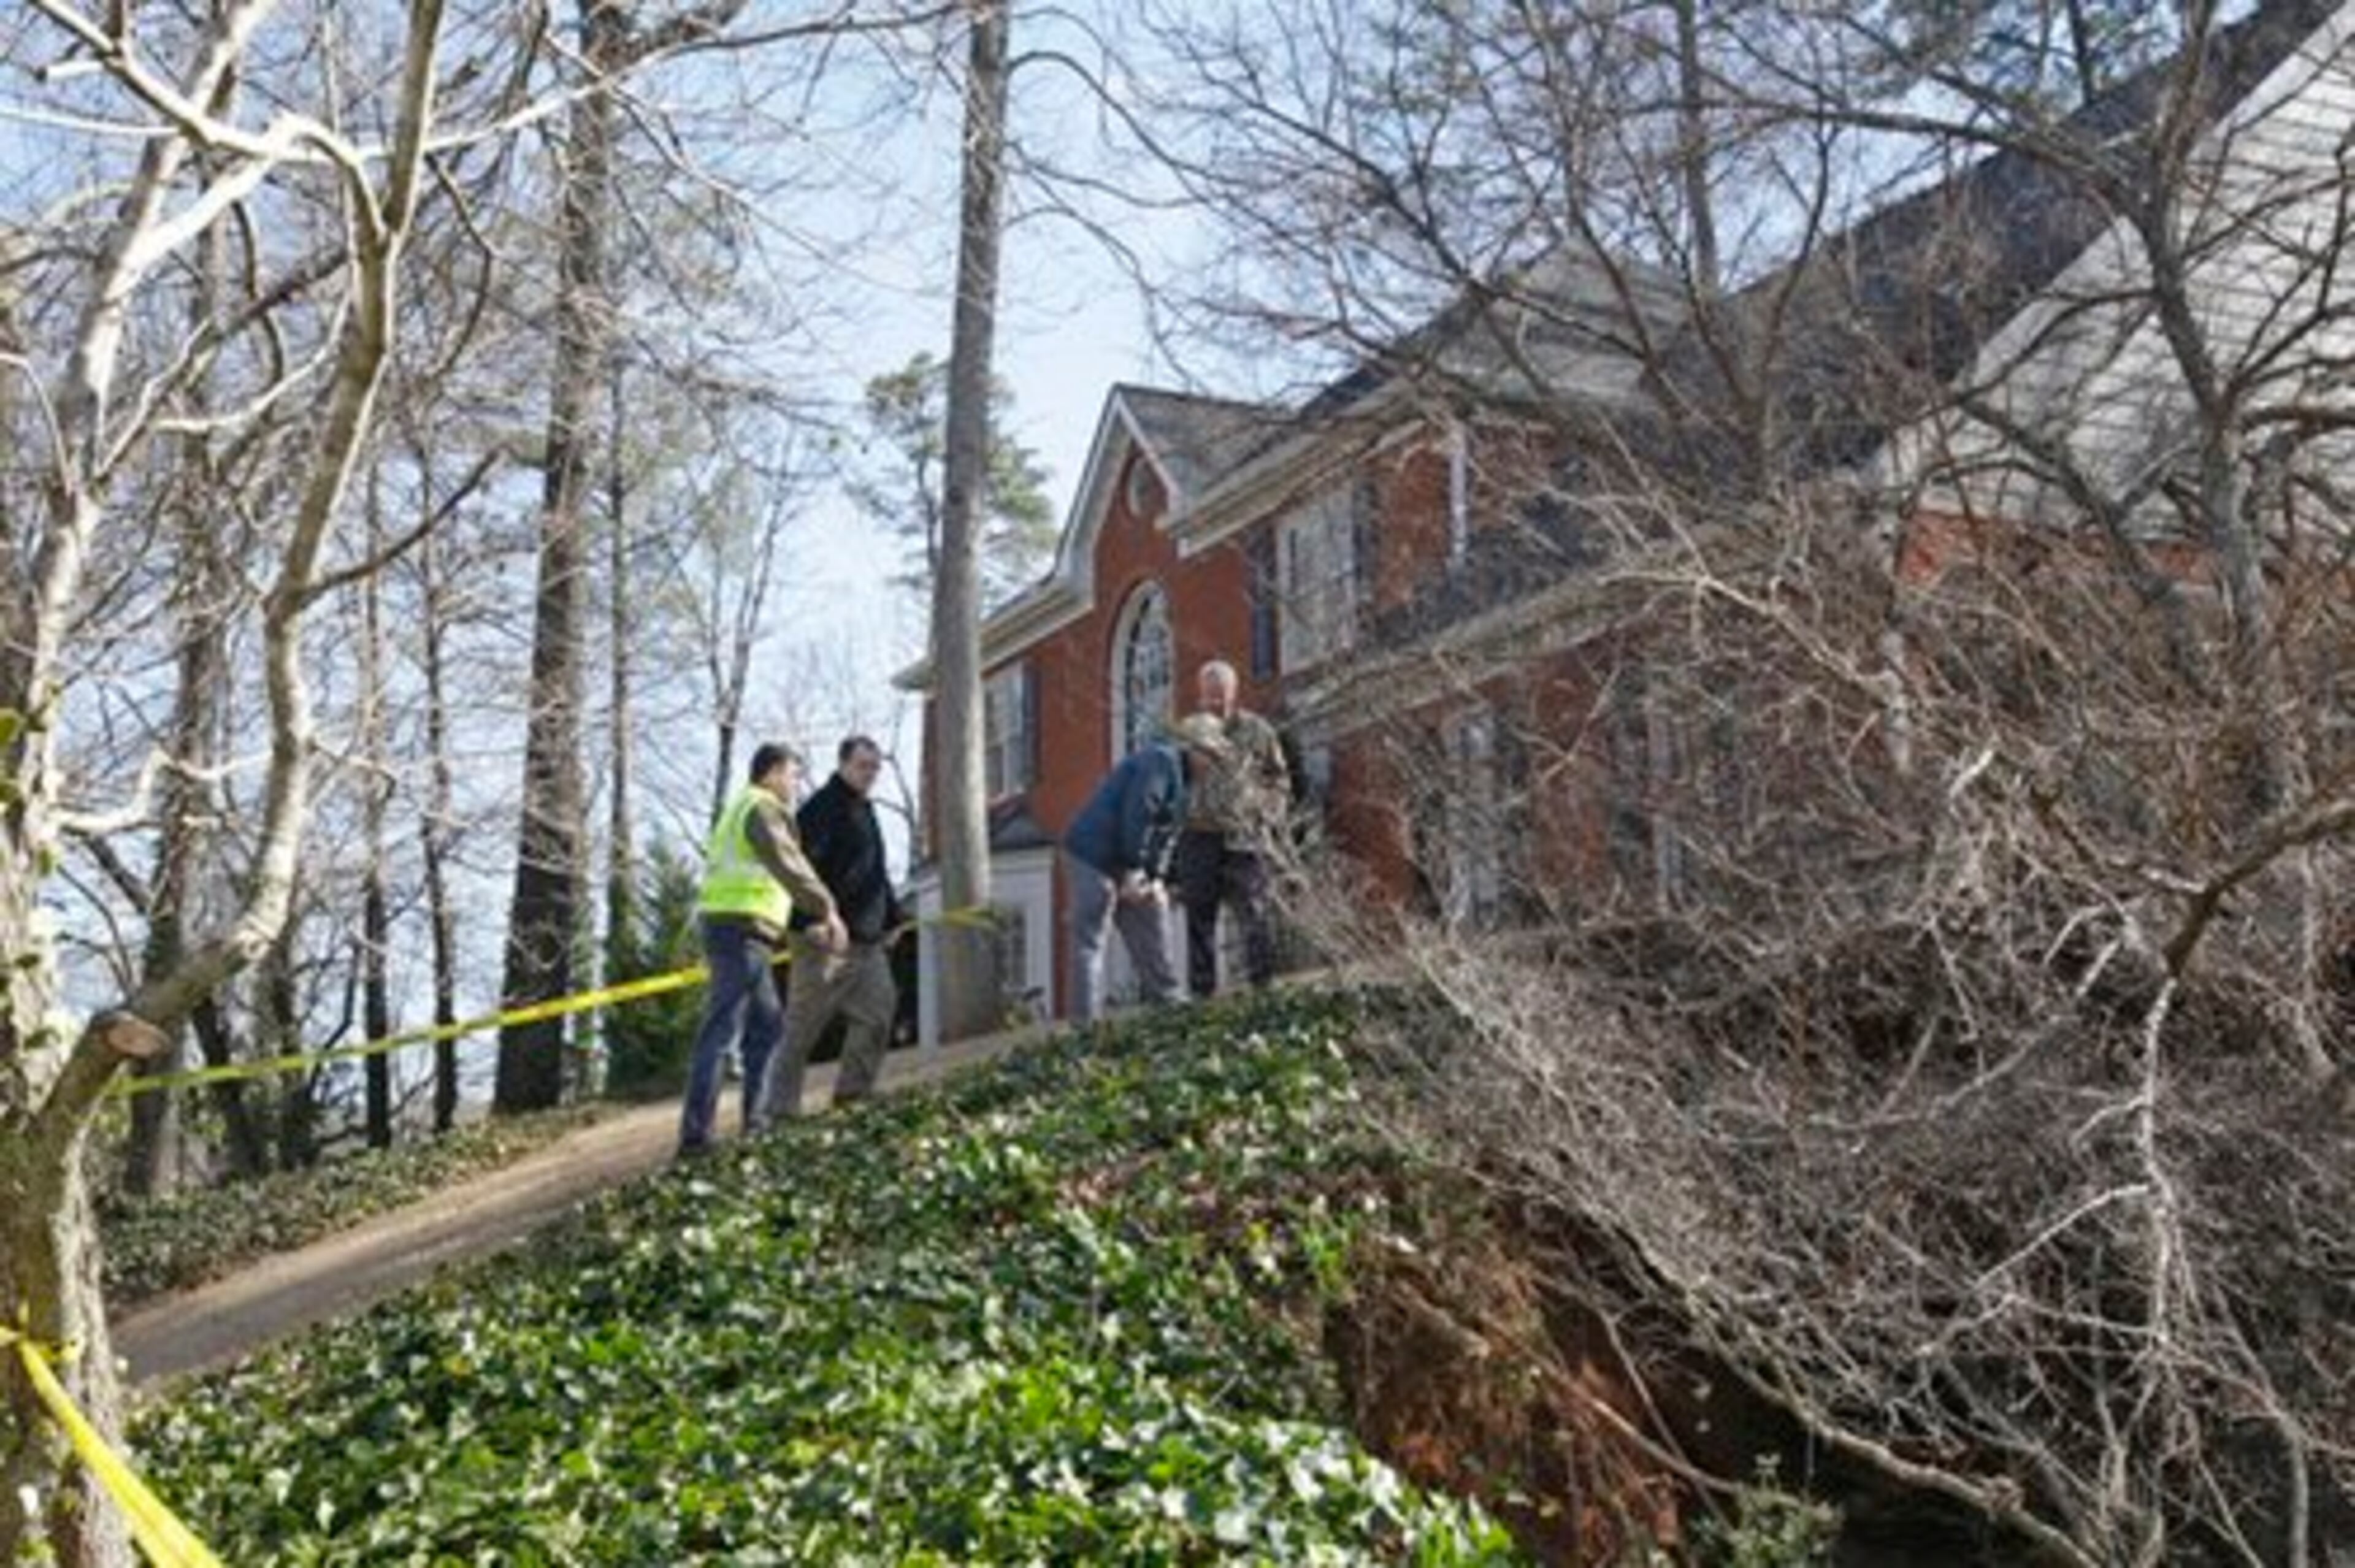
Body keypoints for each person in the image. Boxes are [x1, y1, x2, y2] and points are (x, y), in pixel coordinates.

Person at [678, 743, 846, 1158]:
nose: (795, 784)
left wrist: (803, 926)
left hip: (740, 928)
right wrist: (827, 909)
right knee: (722, 1032)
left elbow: (770, 880)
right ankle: (697, 1138)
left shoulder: (739, 808)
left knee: (767, 1027)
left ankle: (757, 1124)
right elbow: (789, 864)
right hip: (740, 930)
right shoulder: (762, 808)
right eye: (792, 774)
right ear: (771, 773)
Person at [753, 736, 904, 1126]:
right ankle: (779, 1112)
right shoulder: (820, 811)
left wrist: (893, 919)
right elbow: (795, 875)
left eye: (875, 768)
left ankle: (853, 1096)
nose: (869, 774)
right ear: (842, 765)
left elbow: (875, 874)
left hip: (867, 943)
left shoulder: (866, 811)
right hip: (824, 942)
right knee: (802, 1030)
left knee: (878, 1014)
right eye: (862, 766)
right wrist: (807, 923)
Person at [1063, 714, 1230, 1025]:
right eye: (1211, 756)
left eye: (1218, 759)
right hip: (1092, 855)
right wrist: (1134, 871)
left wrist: (1157, 880)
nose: (1214, 765)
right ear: (1192, 748)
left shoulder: (1185, 781)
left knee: (1151, 916)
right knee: (1091, 938)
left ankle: (1169, 1003)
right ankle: (1084, 1027)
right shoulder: (1160, 762)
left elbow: (1166, 837)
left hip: (1127, 860)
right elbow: (1139, 815)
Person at [1176, 660, 1290, 998]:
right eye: (1209, 698)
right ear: (1200, 695)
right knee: (1200, 917)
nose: (1215, 705)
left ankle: (1264, 988)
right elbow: (1167, 779)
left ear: (1233, 694)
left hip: (1244, 835)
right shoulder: (1188, 733)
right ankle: (1202, 993)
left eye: (1221, 697)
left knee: (1254, 911)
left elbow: (1279, 779)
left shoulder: (1258, 731)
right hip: (1199, 833)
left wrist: (1268, 813)